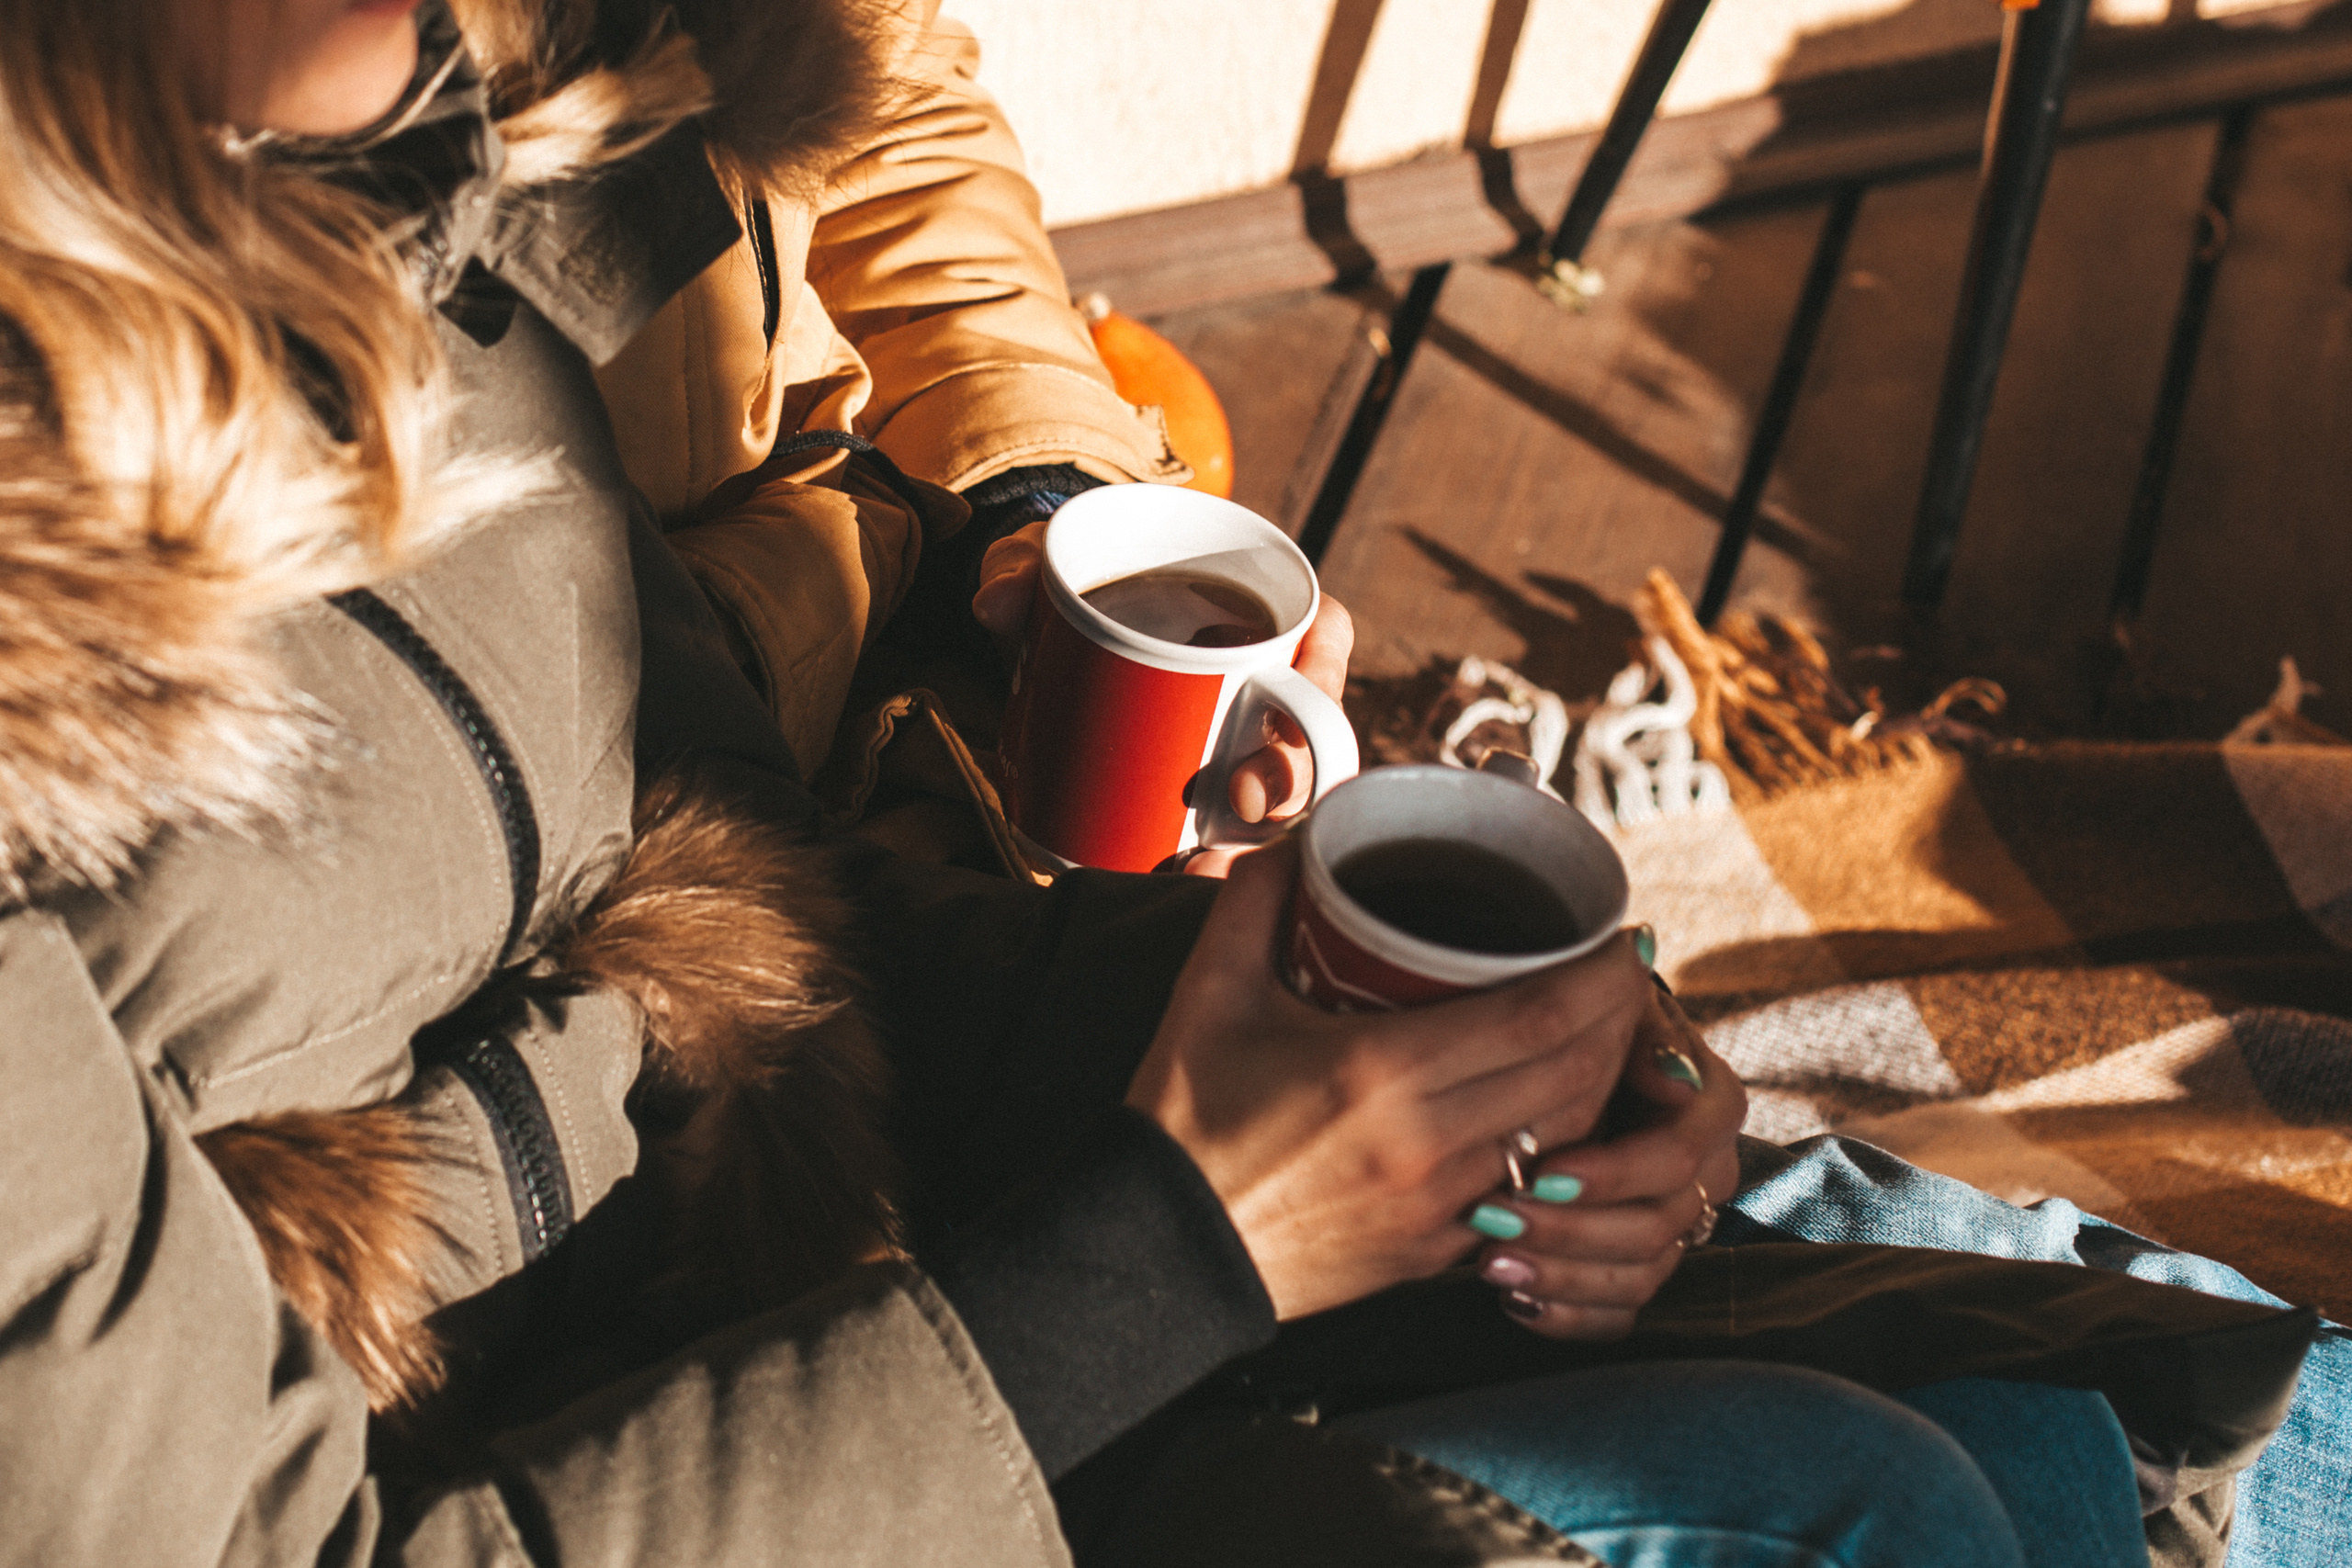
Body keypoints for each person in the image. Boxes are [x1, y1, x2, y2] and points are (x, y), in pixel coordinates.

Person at [0, 5, 2288, 1568]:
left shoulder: (395, 244)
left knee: (2067, 1367)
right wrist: (1179, 1243)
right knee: (1862, 1481)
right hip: (711, 1426)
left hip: (841, 1254)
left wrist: (1439, 1072)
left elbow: (747, 909)